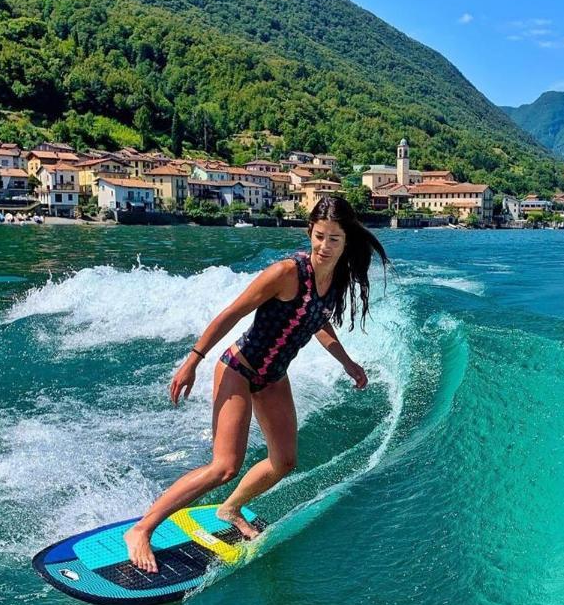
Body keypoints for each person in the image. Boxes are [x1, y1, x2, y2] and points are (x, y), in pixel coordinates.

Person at [124, 196, 389, 573]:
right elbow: (232, 313)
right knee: (224, 466)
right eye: (318, 236)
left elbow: (317, 319)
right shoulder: (286, 273)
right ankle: (142, 528)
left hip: (273, 377)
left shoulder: (335, 277)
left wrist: (347, 362)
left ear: (347, 241)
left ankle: (229, 508)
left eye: (334, 239)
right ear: (308, 232)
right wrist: (192, 361)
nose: (324, 246)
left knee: (284, 461)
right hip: (239, 368)